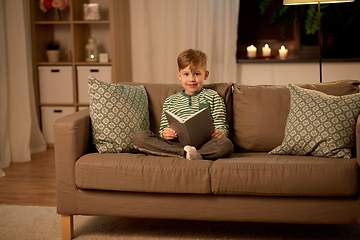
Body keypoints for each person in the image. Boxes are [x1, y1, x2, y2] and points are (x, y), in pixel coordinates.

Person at [134, 49, 234, 160]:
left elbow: (221, 125)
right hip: (177, 144)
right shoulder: (170, 101)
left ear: (206, 75)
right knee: (140, 138)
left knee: (225, 144)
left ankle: (197, 154)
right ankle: (185, 153)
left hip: (205, 145)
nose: (191, 79)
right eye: (186, 74)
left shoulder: (213, 97)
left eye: (196, 74)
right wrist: (165, 133)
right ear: (179, 75)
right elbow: (163, 128)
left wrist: (220, 133)